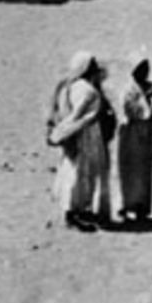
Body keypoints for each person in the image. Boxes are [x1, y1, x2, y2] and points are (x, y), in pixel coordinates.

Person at [47, 50, 113, 231]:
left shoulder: (71, 86)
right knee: (77, 173)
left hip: (84, 134)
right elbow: (78, 116)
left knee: (81, 172)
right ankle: (71, 214)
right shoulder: (84, 89)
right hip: (84, 134)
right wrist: (63, 133)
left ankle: (78, 211)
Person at [115, 50, 152, 225]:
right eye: (141, 68)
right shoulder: (129, 89)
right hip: (132, 133)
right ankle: (128, 205)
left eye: (147, 67)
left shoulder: (151, 87)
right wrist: (147, 105)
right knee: (131, 170)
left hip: (148, 132)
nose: (145, 71)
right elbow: (128, 110)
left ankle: (142, 207)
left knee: (145, 170)